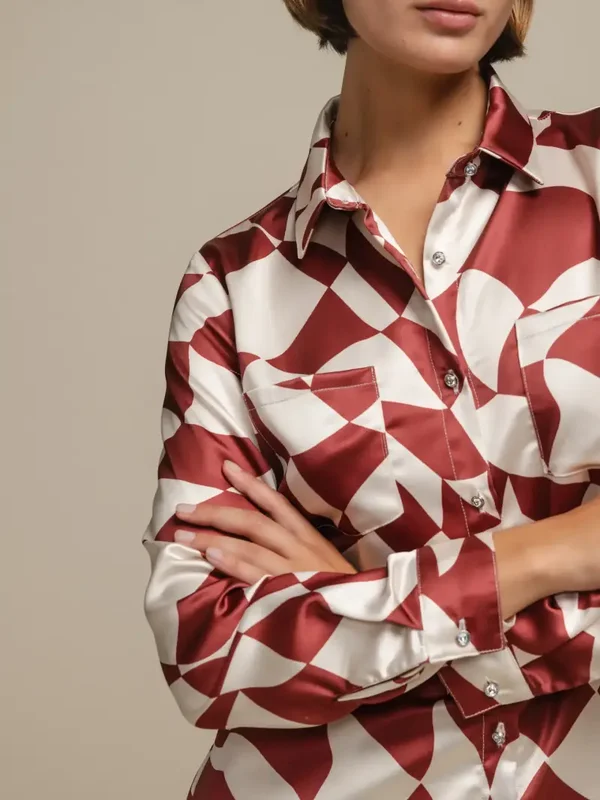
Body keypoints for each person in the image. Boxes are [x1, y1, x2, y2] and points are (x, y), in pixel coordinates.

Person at [142, 1, 600, 797]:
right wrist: (542, 556)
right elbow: (206, 651)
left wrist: (355, 601)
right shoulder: (234, 288)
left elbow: (277, 646)